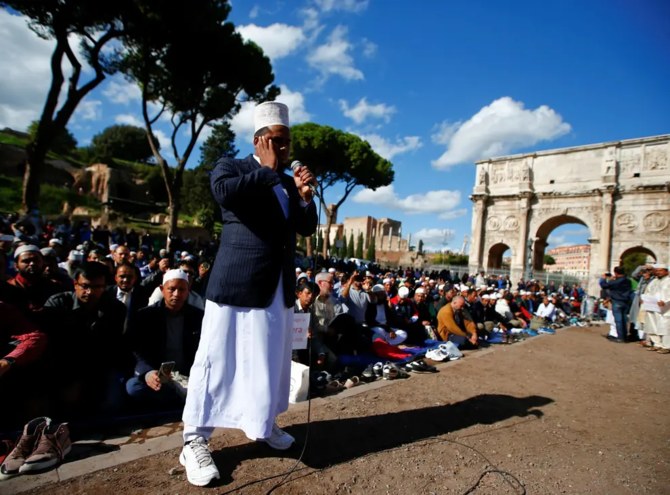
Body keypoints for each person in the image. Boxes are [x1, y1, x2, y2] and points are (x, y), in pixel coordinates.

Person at [179, 101, 318, 487]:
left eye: (288, 141)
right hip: (237, 284)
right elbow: (226, 195)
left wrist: (304, 195)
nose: (285, 148)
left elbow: (304, 228)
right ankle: (195, 439)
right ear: (259, 141)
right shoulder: (233, 167)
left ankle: (262, 423)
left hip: (276, 287)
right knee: (217, 359)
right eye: (277, 141)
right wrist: (270, 172)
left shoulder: (287, 182)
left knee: (270, 359)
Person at [125, 269, 203, 406]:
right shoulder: (145, 316)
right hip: (159, 375)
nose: (176, 294)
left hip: (188, 374)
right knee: (134, 387)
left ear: (188, 290)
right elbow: (136, 350)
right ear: (162, 289)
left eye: (181, 289)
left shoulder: (198, 317)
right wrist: (148, 372)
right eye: (171, 289)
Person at [599, 266, 632, 343]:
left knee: (618, 320)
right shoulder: (628, 281)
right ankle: (624, 336)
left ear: (616, 273)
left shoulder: (616, 282)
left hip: (617, 301)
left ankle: (620, 337)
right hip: (625, 301)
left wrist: (603, 279)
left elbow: (604, 286)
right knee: (624, 319)